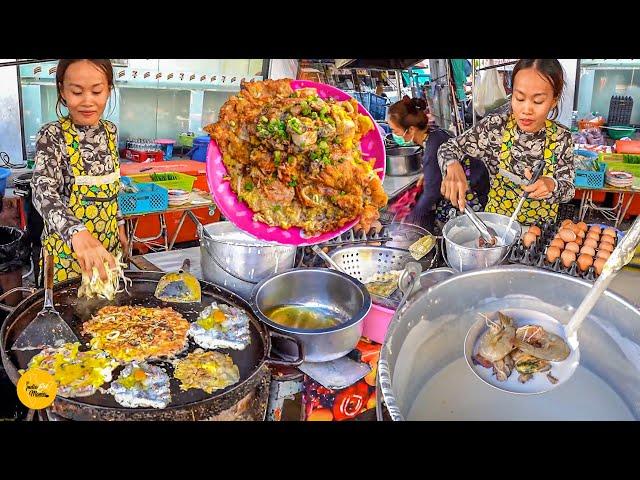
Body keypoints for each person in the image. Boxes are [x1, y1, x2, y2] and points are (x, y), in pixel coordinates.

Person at [439, 59, 575, 225]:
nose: (526, 110)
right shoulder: (495, 127)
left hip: (539, 236)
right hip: (496, 229)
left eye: (538, 101)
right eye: (519, 98)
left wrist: (552, 185)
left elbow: (568, 189)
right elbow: (449, 147)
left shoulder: (562, 137)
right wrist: (452, 165)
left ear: (554, 100)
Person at [32, 59, 127, 284]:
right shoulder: (52, 135)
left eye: (97, 91)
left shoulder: (110, 132)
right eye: (77, 92)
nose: (87, 101)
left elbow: (113, 188)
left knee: (108, 318)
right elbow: (42, 190)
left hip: (106, 253)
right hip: (66, 258)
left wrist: (120, 223)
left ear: (109, 90)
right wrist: (77, 233)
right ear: (62, 91)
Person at [387, 96, 490, 233]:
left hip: (473, 196)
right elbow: (437, 166)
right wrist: (428, 174)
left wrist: (409, 221)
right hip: (477, 185)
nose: (393, 135)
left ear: (411, 130)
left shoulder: (432, 146)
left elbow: (431, 194)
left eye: (395, 131)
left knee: (461, 232)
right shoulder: (435, 133)